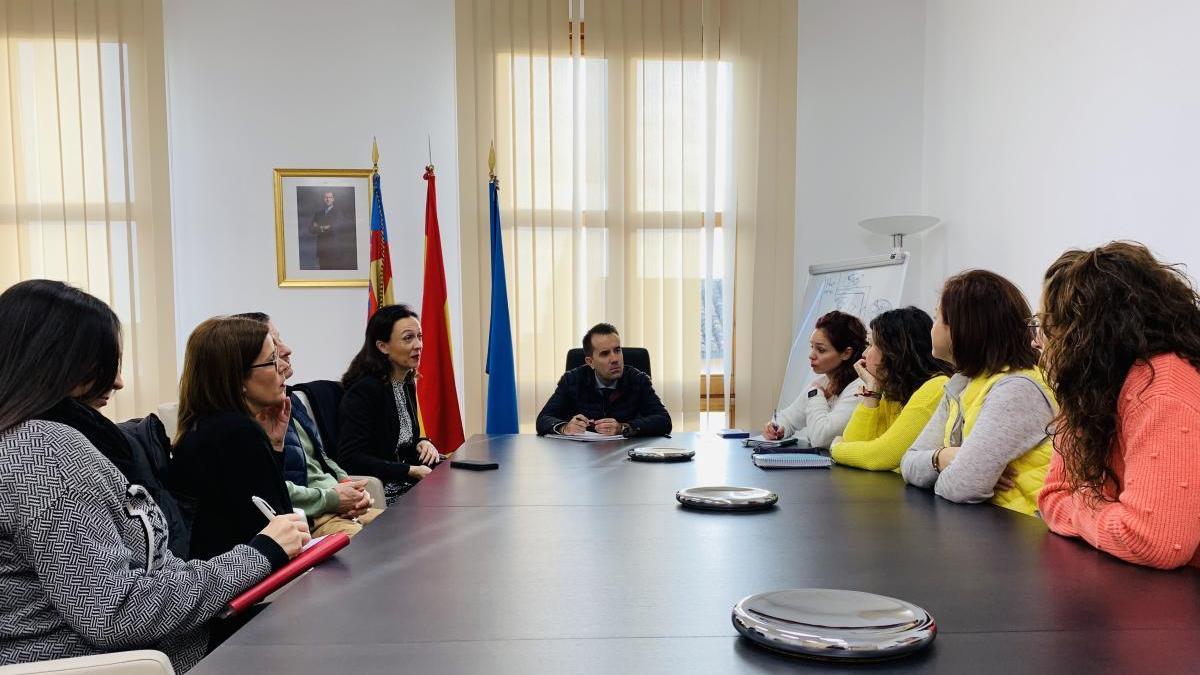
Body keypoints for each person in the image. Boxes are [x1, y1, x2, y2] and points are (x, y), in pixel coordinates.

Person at [0, 280, 308, 672]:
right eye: (102, 364)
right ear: (59, 363)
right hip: (132, 661)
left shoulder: (33, 442)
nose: (118, 382)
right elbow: (115, 613)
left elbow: (148, 570)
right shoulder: (44, 451)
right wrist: (258, 555)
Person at [1038, 243, 1200, 569]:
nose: (1039, 340)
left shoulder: (1160, 389)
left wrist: (1082, 502)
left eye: (1048, 326)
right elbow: (1052, 496)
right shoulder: (1098, 387)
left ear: (1085, 336)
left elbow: (1155, 541)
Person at [899, 270, 1056, 516]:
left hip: (1027, 538)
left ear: (964, 328)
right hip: (991, 528)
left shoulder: (1016, 389)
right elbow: (908, 463)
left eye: (937, 318)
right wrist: (945, 457)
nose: (932, 328)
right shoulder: (961, 383)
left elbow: (962, 487)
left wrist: (957, 468)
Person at [236, 312, 380, 537]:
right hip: (312, 516)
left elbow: (321, 457)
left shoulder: (291, 400)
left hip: (334, 503)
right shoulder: (246, 421)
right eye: (273, 349)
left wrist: (347, 486)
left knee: (406, 531)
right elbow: (272, 492)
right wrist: (334, 499)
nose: (286, 349)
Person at [169, 316, 297, 560]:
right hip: (249, 584)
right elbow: (279, 528)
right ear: (238, 379)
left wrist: (274, 446)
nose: (282, 366)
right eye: (271, 360)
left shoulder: (205, 426)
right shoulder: (237, 432)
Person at [337, 304, 441, 505]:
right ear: (382, 346)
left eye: (419, 336)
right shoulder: (365, 390)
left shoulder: (405, 383)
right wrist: (409, 470)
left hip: (407, 483)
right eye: (408, 338)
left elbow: (398, 442)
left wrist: (422, 442)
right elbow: (350, 458)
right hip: (384, 491)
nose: (418, 345)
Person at [830, 307, 954, 471]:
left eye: (872, 345)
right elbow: (854, 444)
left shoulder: (936, 386)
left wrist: (835, 448)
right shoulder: (892, 390)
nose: (865, 354)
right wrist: (872, 392)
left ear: (894, 351)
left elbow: (881, 456)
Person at [535, 323, 672, 437]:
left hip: (626, 458)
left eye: (617, 350)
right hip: (582, 458)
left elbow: (664, 421)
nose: (615, 359)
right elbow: (543, 419)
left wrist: (623, 428)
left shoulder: (638, 380)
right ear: (590, 362)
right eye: (605, 354)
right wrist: (564, 428)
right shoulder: (572, 380)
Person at [763, 310, 866, 448]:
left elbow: (821, 438)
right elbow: (788, 418)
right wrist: (777, 428)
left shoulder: (860, 388)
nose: (811, 355)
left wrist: (816, 395)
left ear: (846, 353)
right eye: (812, 347)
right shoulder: (823, 382)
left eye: (821, 350)